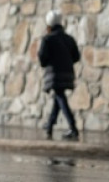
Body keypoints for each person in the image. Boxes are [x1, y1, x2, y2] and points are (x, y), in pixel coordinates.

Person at [38, 10, 81, 140]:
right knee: (58, 99)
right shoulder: (69, 39)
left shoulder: (47, 39)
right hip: (68, 74)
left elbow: (42, 58)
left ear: (49, 26)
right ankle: (50, 126)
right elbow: (76, 56)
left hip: (55, 75)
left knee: (60, 98)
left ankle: (73, 128)